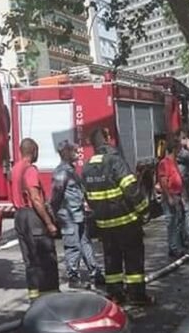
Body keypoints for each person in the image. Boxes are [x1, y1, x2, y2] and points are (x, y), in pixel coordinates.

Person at [82, 128, 154, 305]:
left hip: (104, 225)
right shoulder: (114, 160)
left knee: (111, 260)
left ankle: (116, 295)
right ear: (106, 139)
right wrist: (144, 210)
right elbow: (131, 189)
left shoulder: (87, 166)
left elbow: (87, 197)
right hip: (126, 221)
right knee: (133, 259)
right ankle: (137, 296)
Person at [50, 140, 103, 289]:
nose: (75, 150)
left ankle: (95, 272)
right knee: (73, 246)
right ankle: (73, 278)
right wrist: (54, 215)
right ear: (64, 152)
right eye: (71, 149)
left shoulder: (70, 170)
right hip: (69, 217)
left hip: (78, 215)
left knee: (85, 244)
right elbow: (56, 196)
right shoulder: (62, 172)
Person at [11, 138, 60, 301]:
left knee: (30, 262)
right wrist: (49, 223)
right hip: (33, 218)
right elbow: (36, 199)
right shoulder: (30, 169)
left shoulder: (15, 168)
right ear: (33, 151)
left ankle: (35, 298)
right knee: (47, 260)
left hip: (19, 217)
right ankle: (50, 300)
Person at [159, 138, 188, 258]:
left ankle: (178, 246)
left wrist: (182, 195)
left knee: (178, 222)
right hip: (171, 196)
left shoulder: (173, 162)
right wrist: (169, 197)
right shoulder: (165, 163)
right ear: (174, 149)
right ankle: (174, 248)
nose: (180, 151)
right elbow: (163, 181)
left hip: (177, 195)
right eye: (179, 149)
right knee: (172, 223)